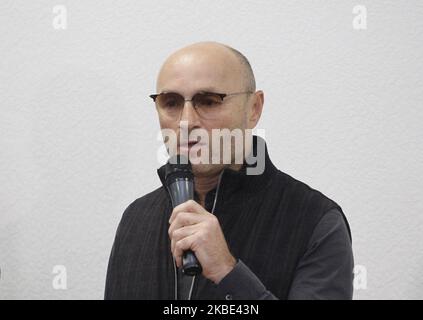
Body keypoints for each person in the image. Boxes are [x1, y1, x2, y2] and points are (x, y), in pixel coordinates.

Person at [104, 42, 354, 300]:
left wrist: (227, 271)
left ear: (254, 108)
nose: (187, 122)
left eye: (209, 101)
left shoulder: (315, 221)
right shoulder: (135, 219)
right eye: (171, 102)